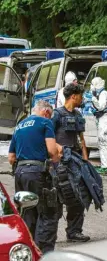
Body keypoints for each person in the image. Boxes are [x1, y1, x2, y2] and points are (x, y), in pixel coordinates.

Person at [8, 100, 62, 253]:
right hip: (37, 174)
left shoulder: (19, 126)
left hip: (20, 174)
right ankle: (43, 253)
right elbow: (52, 151)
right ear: (46, 112)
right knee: (47, 213)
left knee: (28, 213)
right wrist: (57, 164)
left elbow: (11, 157)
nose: (50, 118)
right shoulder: (45, 122)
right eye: (50, 115)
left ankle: (26, 251)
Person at [51, 83, 91, 243]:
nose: (83, 99)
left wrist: (85, 159)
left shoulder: (77, 115)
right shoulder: (57, 115)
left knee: (79, 196)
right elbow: (48, 138)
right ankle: (49, 235)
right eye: (81, 95)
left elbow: (81, 140)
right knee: (57, 199)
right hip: (59, 164)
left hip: (76, 162)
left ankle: (74, 232)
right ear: (73, 96)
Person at [90, 77, 107, 173]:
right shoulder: (102, 94)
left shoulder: (103, 94)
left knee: (104, 143)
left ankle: (106, 166)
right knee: (102, 143)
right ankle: (104, 165)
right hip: (103, 120)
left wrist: (93, 99)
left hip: (105, 120)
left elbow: (101, 106)